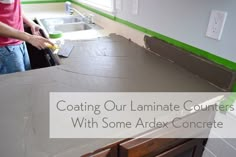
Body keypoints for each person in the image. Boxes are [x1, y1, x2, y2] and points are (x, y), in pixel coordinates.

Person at [0, 0, 54, 74]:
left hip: (19, 41)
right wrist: (29, 38)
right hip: (4, 48)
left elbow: (15, 7)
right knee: (16, 83)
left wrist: (31, 23)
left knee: (25, 78)